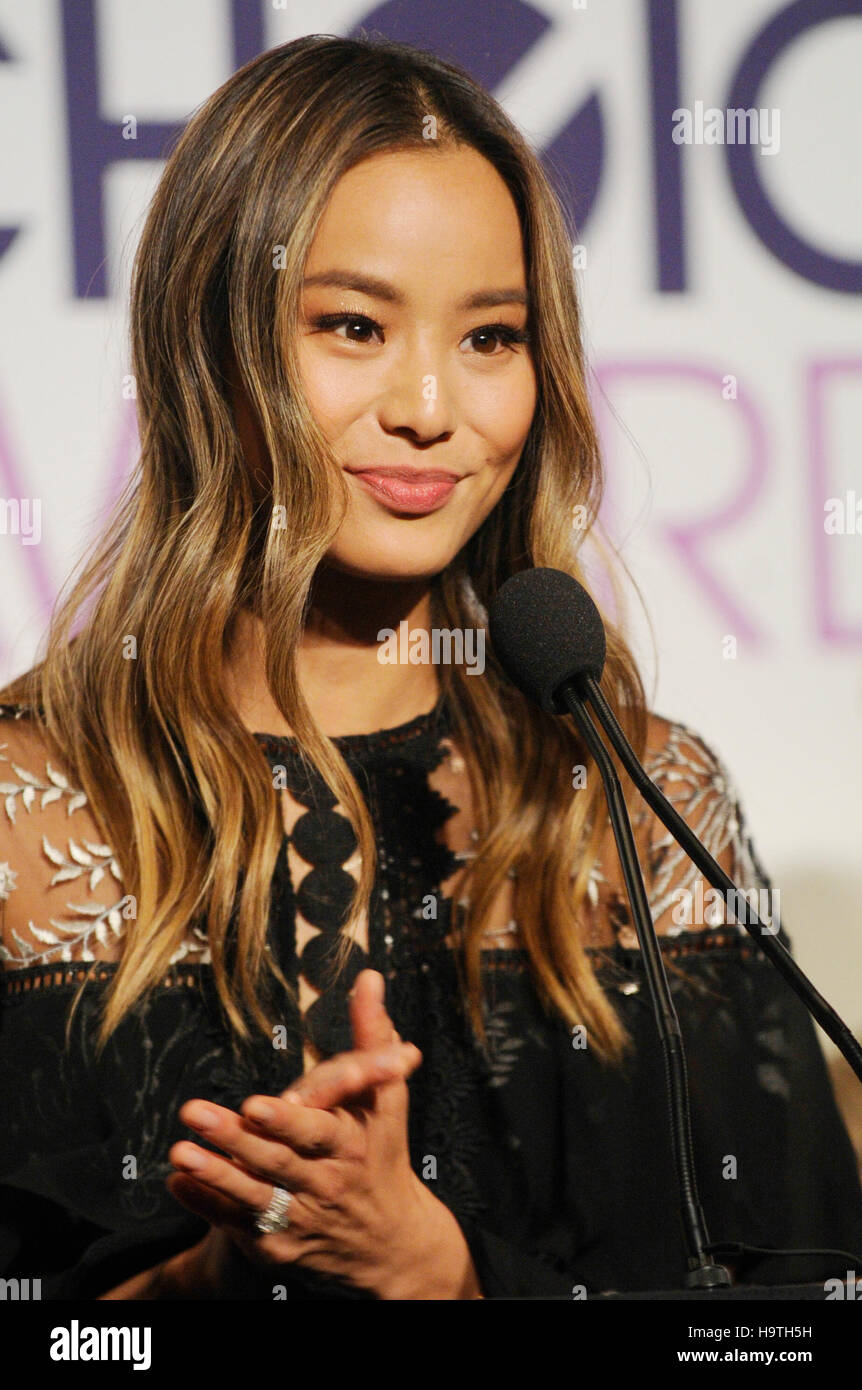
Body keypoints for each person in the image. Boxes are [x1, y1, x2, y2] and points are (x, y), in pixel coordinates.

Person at [0, 34, 860, 1301]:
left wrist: (450, 1278)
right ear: (207, 346)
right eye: (353, 325)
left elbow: (788, 1319)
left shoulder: (638, 804)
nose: (427, 407)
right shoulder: (28, 814)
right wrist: (208, 1283)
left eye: (491, 337)